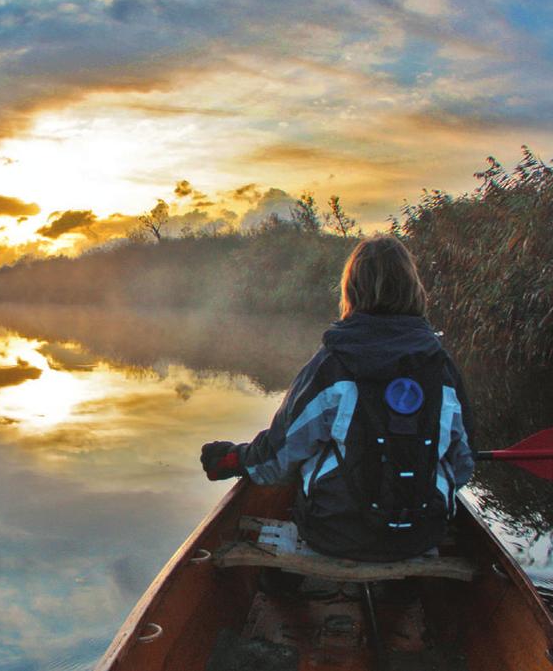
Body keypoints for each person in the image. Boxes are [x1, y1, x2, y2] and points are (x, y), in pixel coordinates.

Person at [200, 234, 475, 562]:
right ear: (413, 289)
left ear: (351, 290)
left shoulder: (333, 365)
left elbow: (278, 460)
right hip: (423, 534)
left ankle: (289, 584)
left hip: (335, 534)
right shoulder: (441, 368)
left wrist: (236, 458)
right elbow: (462, 465)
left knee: (308, 458)